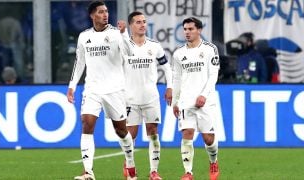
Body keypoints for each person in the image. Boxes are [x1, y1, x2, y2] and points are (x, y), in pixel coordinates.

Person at [66, 1, 137, 180]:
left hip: (114, 89)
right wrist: (72, 85)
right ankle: (88, 172)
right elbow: (79, 62)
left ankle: (130, 164)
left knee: (121, 130)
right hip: (92, 89)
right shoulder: (84, 37)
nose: (105, 15)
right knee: (87, 124)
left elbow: (130, 53)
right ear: (92, 15)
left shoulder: (115, 33)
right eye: (100, 12)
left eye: (106, 11)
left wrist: (124, 33)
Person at [122, 11, 172, 180]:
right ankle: (130, 166)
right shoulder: (123, 46)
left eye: (144, 21)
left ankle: (154, 171)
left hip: (151, 97)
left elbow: (166, 67)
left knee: (153, 132)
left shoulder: (154, 46)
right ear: (131, 25)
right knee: (130, 135)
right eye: (138, 22)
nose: (142, 25)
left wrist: (170, 87)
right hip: (130, 98)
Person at [172, 17, 220, 180]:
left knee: (208, 138)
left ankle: (213, 161)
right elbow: (176, 79)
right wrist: (175, 101)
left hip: (205, 101)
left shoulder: (209, 49)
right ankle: (188, 172)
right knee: (187, 133)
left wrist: (204, 95)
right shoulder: (179, 53)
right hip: (186, 101)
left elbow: (213, 75)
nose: (187, 32)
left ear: (199, 30)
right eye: (185, 29)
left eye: (191, 29)